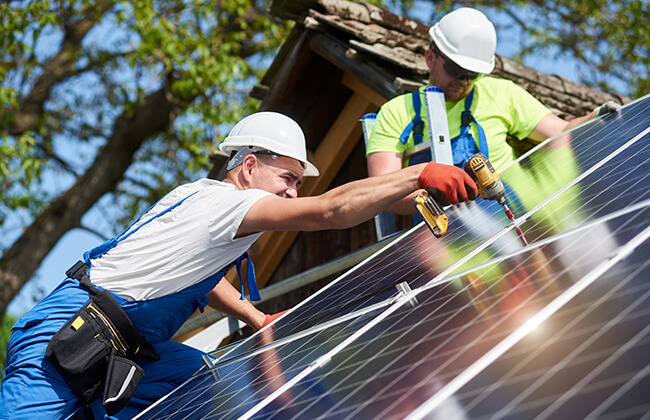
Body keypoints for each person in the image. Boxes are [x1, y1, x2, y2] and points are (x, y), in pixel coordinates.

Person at [0, 111, 478, 419]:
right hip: (68, 337)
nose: (292, 192)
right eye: (287, 178)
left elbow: (198, 280)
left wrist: (254, 317)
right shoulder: (228, 207)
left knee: (203, 383)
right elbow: (330, 210)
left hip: (122, 342)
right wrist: (416, 173)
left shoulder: (196, 197)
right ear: (249, 166)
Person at [366, 7, 620, 215]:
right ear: (431, 58)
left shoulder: (501, 93)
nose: (464, 80)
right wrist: (436, 194)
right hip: (453, 240)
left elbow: (561, 132)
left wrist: (595, 118)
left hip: (521, 216)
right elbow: (383, 190)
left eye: (472, 74)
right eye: (456, 70)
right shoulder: (397, 112)